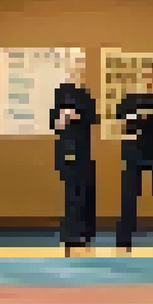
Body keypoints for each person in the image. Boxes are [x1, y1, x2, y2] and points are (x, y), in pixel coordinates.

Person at [114, 62, 153, 253]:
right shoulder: (129, 98)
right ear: (141, 76)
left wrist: (145, 116)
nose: (151, 78)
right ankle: (124, 238)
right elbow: (124, 123)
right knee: (129, 194)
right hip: (134, 150)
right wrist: (146, 116)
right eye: (148, 74)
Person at [52, 52, 99, 255]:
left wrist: (77, 115)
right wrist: (63, 118)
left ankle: (85, 233)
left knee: (86, 192)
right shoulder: (60, 92)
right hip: (68, 149)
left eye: (80, 64)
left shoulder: (85, 93)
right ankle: (71, 235)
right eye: (74, 65)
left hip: (84, 150)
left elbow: (94, 117)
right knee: (72, 193)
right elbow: (53, 122)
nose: (77, 69)